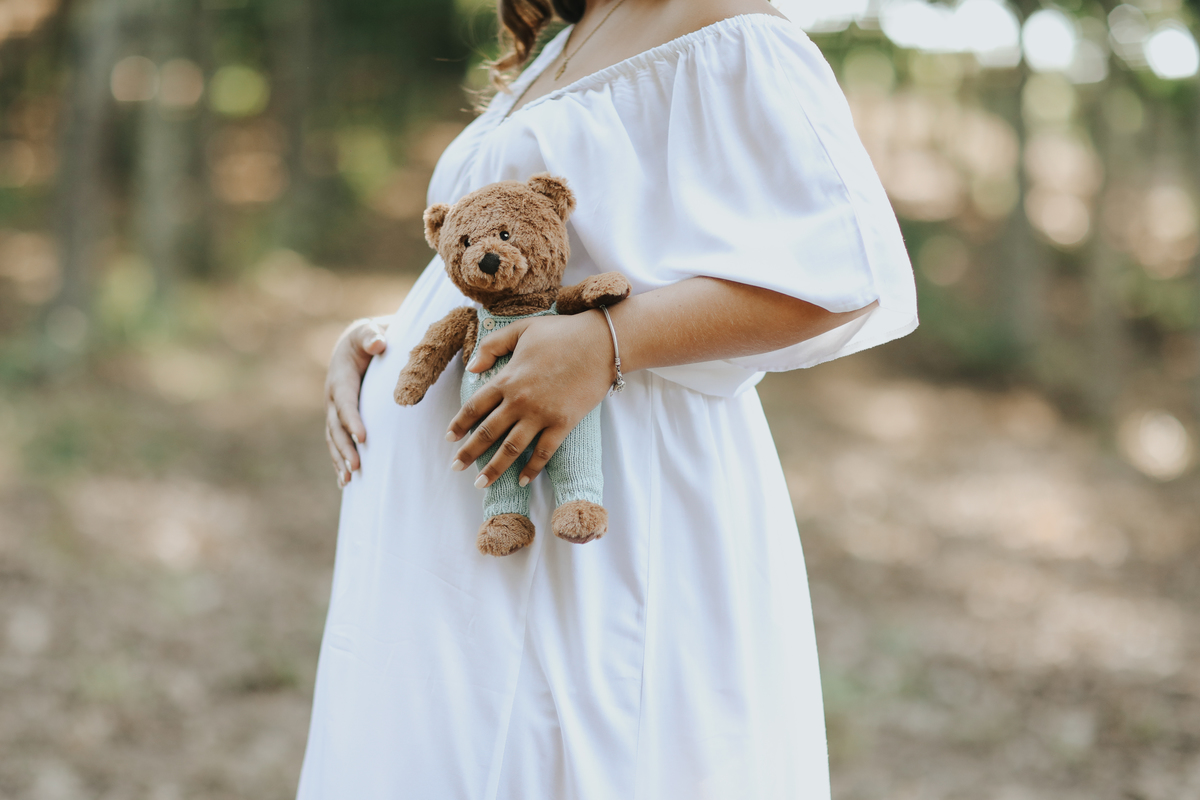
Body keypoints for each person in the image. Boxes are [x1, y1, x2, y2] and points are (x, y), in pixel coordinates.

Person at [300, 0, 917, 797]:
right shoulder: (565, 37)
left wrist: (607, 343)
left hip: (598, 521)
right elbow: (538, 268)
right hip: (441, 558)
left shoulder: (728, 26)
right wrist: (389, 339)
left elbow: (848, 274)